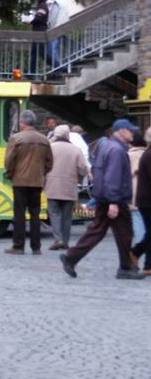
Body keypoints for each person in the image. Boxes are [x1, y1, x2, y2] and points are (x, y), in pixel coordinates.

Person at [60, 119, 146, 280]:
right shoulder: (117, 150)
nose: (133, 133)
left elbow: (97, 171)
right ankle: (125, 267)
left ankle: (72, 257)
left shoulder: (106, 146)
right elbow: (113, 177)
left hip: (103, 196)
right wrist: (113, 202)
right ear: (122, 131)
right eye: (130, 130)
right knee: (124, 233)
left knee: (97, 231)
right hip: (114, 198)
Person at [4, 110, 53, 255]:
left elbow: (9, 161)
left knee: (19, 214)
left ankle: (18, 246)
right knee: (35, 214)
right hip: (37, 181)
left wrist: (10, 174)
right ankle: (36, 247)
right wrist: (41, 173)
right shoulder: (44, 140)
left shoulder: (16, 138)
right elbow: (50, 162)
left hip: (20, 181)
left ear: (22, 123)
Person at [44, 125, 88, 251]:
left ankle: (58, 238)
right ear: (68, 135)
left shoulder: (50, 148)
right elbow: (83, 168)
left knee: (54, 213)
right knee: (67, 215)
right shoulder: (75, 149)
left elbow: (44, 165)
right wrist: (79, 178)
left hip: (52, 185)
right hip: (70, 186)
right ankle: (65, 241)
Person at [130, 127, 151, 275]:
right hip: (147, 200)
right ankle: (142, 259)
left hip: (145, 199)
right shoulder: (149, 155)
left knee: (150, 233)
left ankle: (138, 255)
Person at [128, 130, 147, 246]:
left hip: (135, 193)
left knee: (138, 219)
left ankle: (141, 247)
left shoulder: (129, 155)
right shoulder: (147, 154)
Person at [46, 0, 69, 68]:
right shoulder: (61, 1)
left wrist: (50, 27)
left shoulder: (57, 2)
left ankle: (58, 67)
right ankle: (58, 66)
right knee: (55, 49)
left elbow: (53, 17)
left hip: (56, 29)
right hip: (60, 28)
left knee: (52, 49)